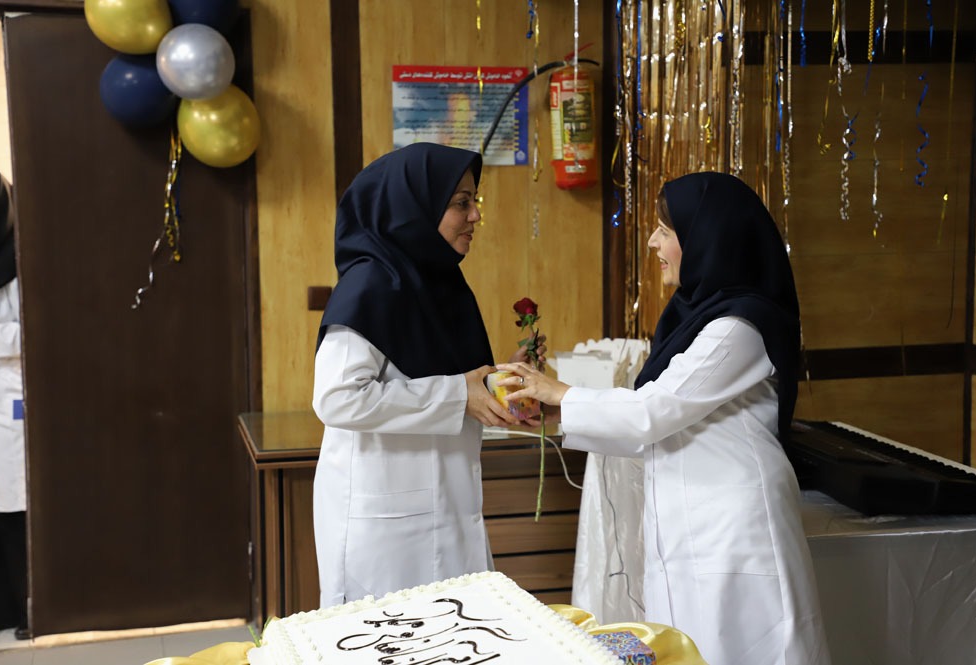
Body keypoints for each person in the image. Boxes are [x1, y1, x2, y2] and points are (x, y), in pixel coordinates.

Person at [498, 172, 831, 665]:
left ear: (708, 238)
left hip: (733, 528)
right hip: (695, 518)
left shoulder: (740, 325)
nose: (653, 242)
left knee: (740, 650)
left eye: (665, 230)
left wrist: (563, 394)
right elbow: (655, 413)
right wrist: (557, 410)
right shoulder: (696, 315)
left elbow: (655, 410)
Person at [311, 142, 544, 607]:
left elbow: (437, 379)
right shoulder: (371, 284)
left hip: (446, 509)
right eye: (461, 203)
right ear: (413, 207)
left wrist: (501, 383)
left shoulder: (440, 285)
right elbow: (337, 398)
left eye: (475, 200)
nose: (475, 215)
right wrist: (461, 395)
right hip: (387, 530)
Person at [0, 167, 28, 639]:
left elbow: (37, 331)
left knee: (14, 507)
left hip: (12, 405)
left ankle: (28, 608)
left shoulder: (23, 260)